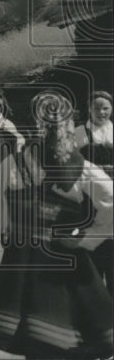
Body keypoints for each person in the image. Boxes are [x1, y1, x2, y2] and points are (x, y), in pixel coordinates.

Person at [0, 91, 114, 359]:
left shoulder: (13, 163)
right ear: (69, 124)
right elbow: (112, 200)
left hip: (23, 262)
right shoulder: (81, 168)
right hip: (66, 259)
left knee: (34, 341)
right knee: (68, 340)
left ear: (30, 123)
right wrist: (88, 238)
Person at [74, 90, 113, 296]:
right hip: (87, 201)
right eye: (96, 107)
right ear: (89, 109)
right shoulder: (78, 133)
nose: (101, 112)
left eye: (105, 107)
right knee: (91, 256)